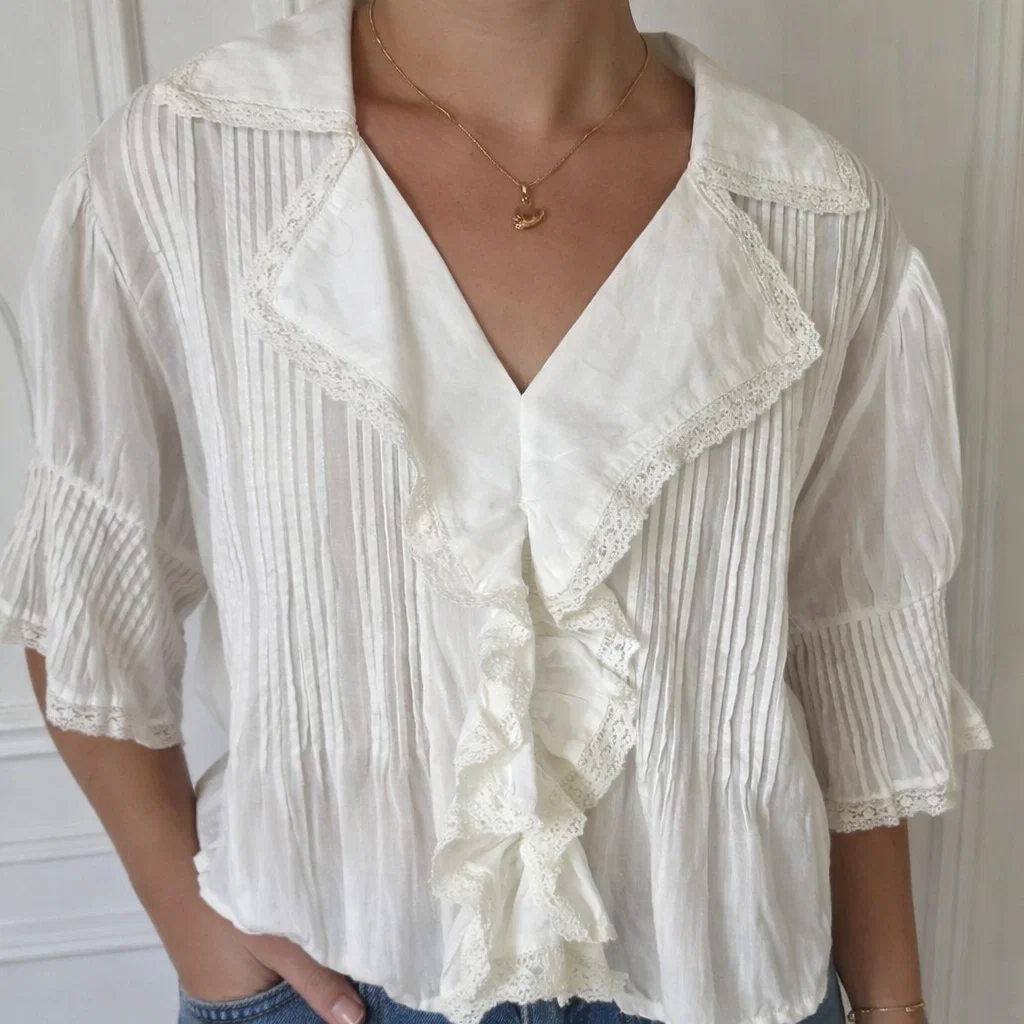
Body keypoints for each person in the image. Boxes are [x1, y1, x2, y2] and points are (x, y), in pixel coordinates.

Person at [0, 0, 993, 1022]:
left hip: (727, 980)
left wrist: (894, 1009)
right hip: (338, 976)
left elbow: (850, 660)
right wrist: (198, 932)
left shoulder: (816, 212)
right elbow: (87, 589)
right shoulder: (188, 162)